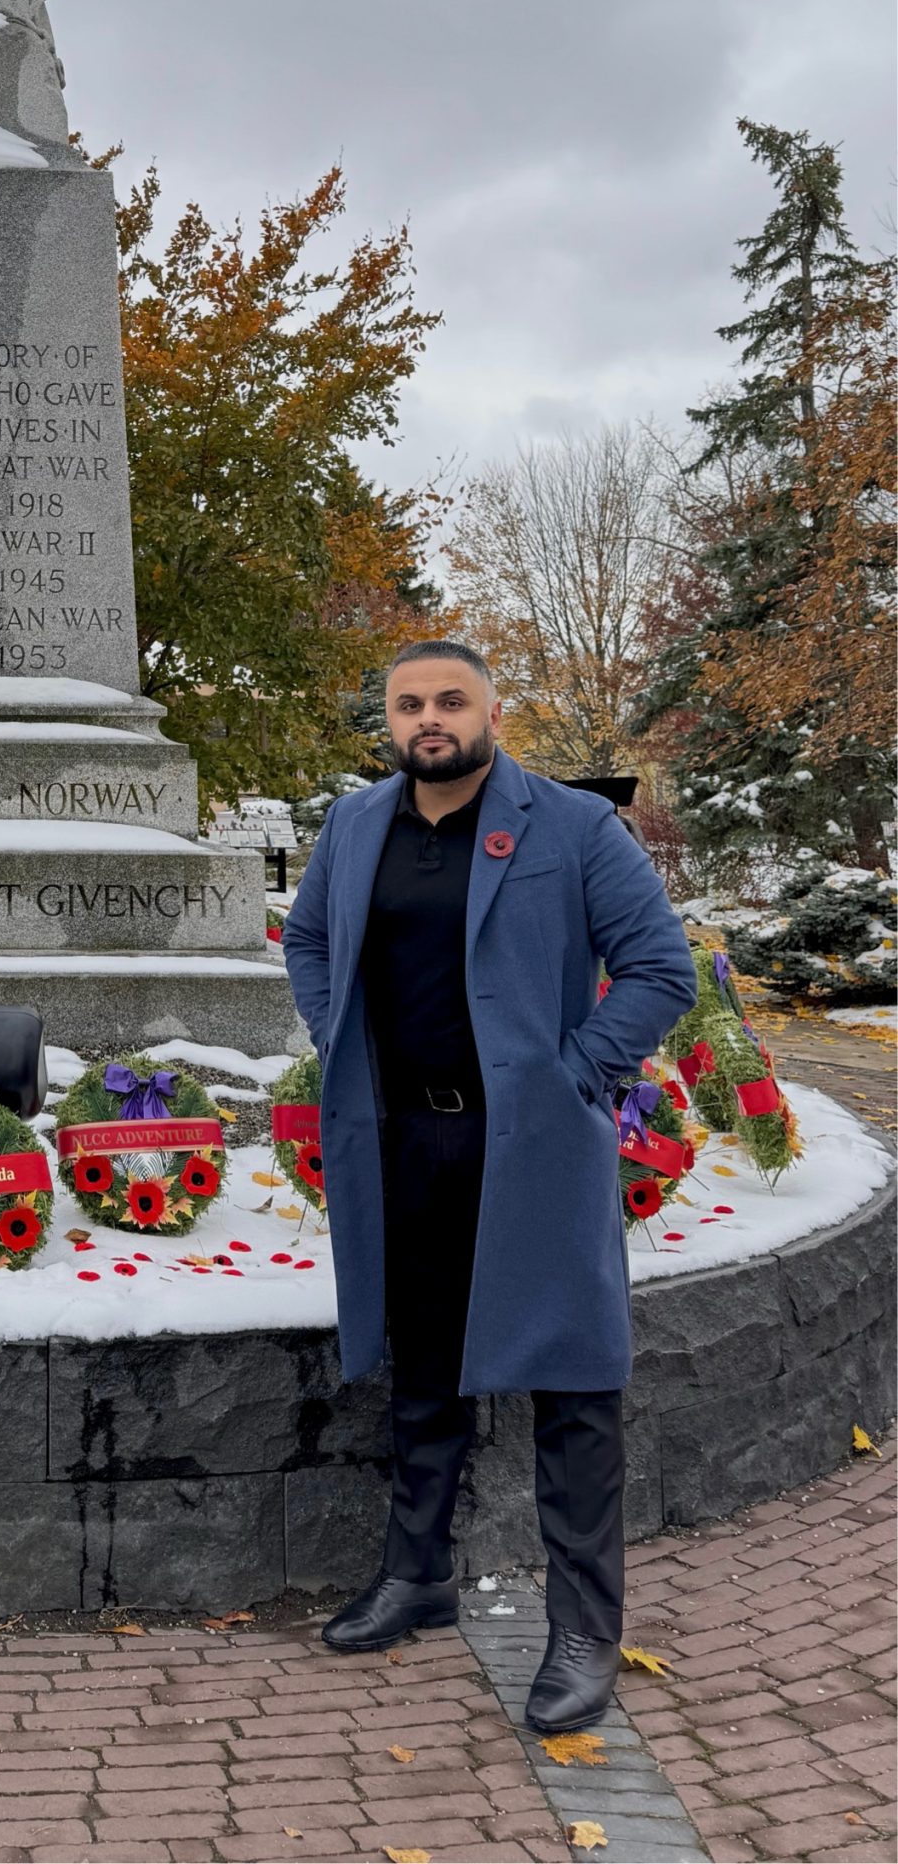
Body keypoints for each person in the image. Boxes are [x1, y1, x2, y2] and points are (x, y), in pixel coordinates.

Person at [281, 640, 696, 1730]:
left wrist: (578, 1072)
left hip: (533, 1146)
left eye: (449, 699)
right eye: (410, 702)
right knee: (420, 1370)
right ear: (391, 716)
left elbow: (660, 967)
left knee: (573, 1389)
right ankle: (417, 1575)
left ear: (489, 710)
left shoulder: (572, 825)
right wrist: (338, 1037)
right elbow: (313, 937)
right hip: (401, 1143)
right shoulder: (357, 823)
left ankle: (585, 1630)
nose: (429, 717)